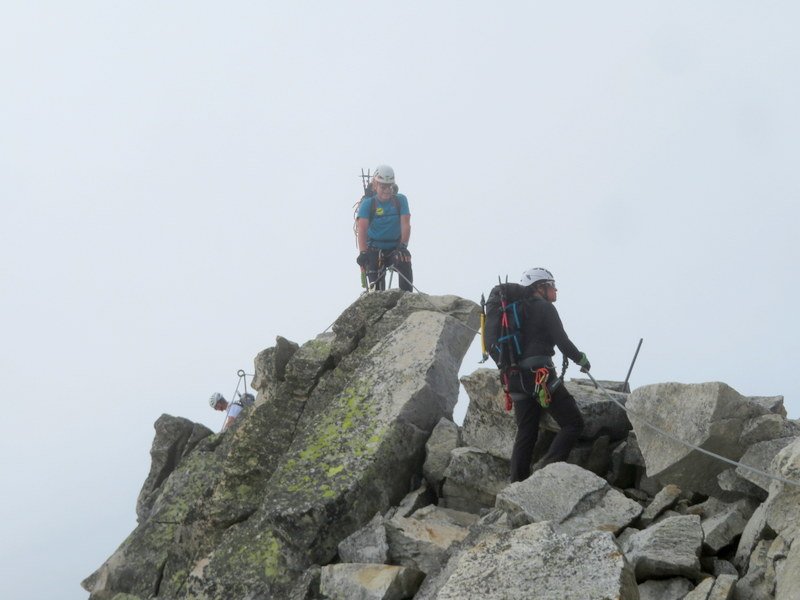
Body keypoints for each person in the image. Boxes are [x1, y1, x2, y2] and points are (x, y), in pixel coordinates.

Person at [509, 267, 591, 482]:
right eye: (552, 285)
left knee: (526, 432)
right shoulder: (545, 308)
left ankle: (516, 484)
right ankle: (546, 475)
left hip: (515, 379)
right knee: (573, 423)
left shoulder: (514, 310)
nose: (555, 289)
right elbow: (562, 341)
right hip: (540, 376)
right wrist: (581, 359)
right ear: (540, 287)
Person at [355, 165, 413, 291]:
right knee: (376, 288)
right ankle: (377, 298)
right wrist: (363, 253)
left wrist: (403, 246)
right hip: (374, 249)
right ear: (376, 186)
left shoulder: (400, 201)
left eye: (389, 186)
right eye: (383, 187)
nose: (387, 190)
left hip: (395, 247)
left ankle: (407, 297)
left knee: (404, 260)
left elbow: (405, 224)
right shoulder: (368, 204)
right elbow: (362, 229)